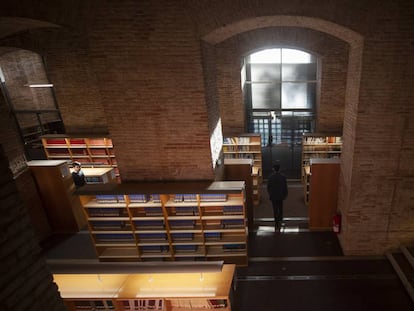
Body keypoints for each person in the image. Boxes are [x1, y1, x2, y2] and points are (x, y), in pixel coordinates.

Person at [267, 162, 288, 230]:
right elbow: (285, 187)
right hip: (281, 195)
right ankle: (280, 219)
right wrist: (285, 194)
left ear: (273, 169)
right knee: (280, 207)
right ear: (279, 169)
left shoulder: (270, 177)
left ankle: (276, 222)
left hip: (273, 195)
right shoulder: (283, 177)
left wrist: (270, 194)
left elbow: (268, 187)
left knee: (275, 209)